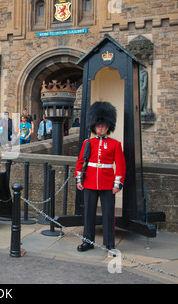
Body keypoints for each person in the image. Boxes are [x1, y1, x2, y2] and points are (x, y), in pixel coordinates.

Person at [75, 101, 126, 252]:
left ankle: (109, 243)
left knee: (108, 215)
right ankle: (88, 241)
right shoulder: (88, 143)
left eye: (103, 126)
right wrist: (79, 179)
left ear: (108, 127)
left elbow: (121, 166)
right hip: (90, 182)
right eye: (98, 126)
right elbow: (81, 161)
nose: (101, 128)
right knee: (89, 214)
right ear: (94, 127)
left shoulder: (115, 144)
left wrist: (117, 184)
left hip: (107, 184)